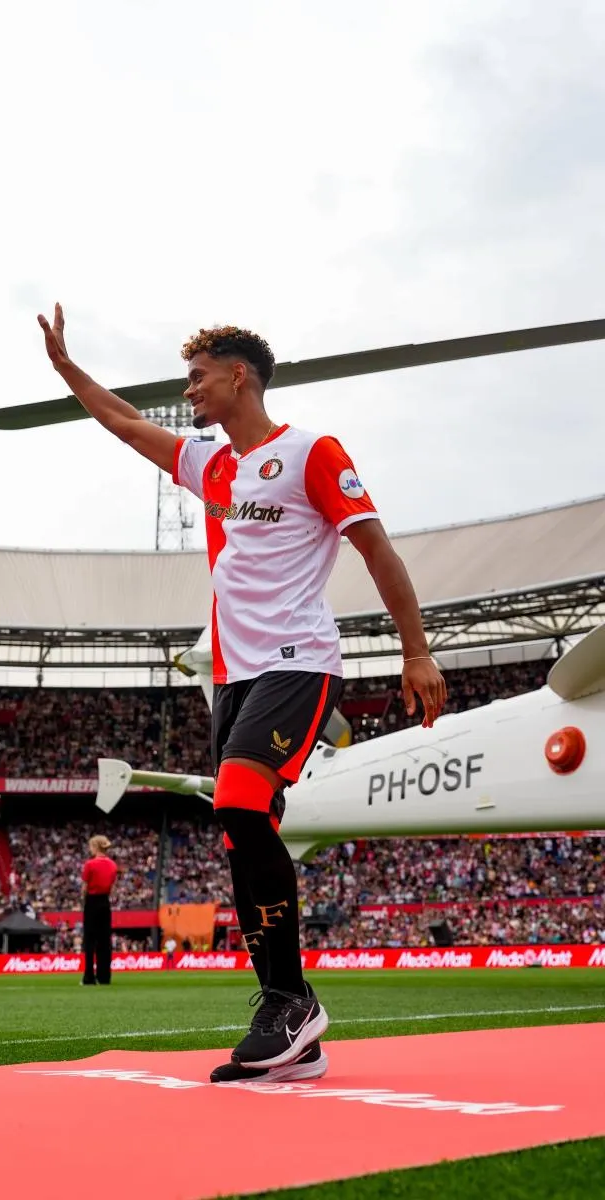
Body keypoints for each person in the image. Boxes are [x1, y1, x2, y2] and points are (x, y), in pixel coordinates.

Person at [38, 306, 447, 1078]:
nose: (187, 390)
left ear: (239, 377)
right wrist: (68, 371)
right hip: (233, 676)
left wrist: (416, 651)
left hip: (299, 662)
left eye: (198, 378)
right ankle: (292, 1031)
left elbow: (376, 548)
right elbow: (125, 424)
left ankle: (291, 1000)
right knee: (238, 830)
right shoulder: (210, 464)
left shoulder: (311, 453)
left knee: (235, 801)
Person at [81, 835, 118, 985]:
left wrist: (84, 901)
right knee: (104, 941)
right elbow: (113, 888)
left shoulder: (90, 864)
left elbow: (84, 887)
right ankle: (104, 976)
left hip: (92, 901)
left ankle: (89, 976)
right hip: (105, 902)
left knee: (90, 940)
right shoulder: (113, 865)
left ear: (95, 847)